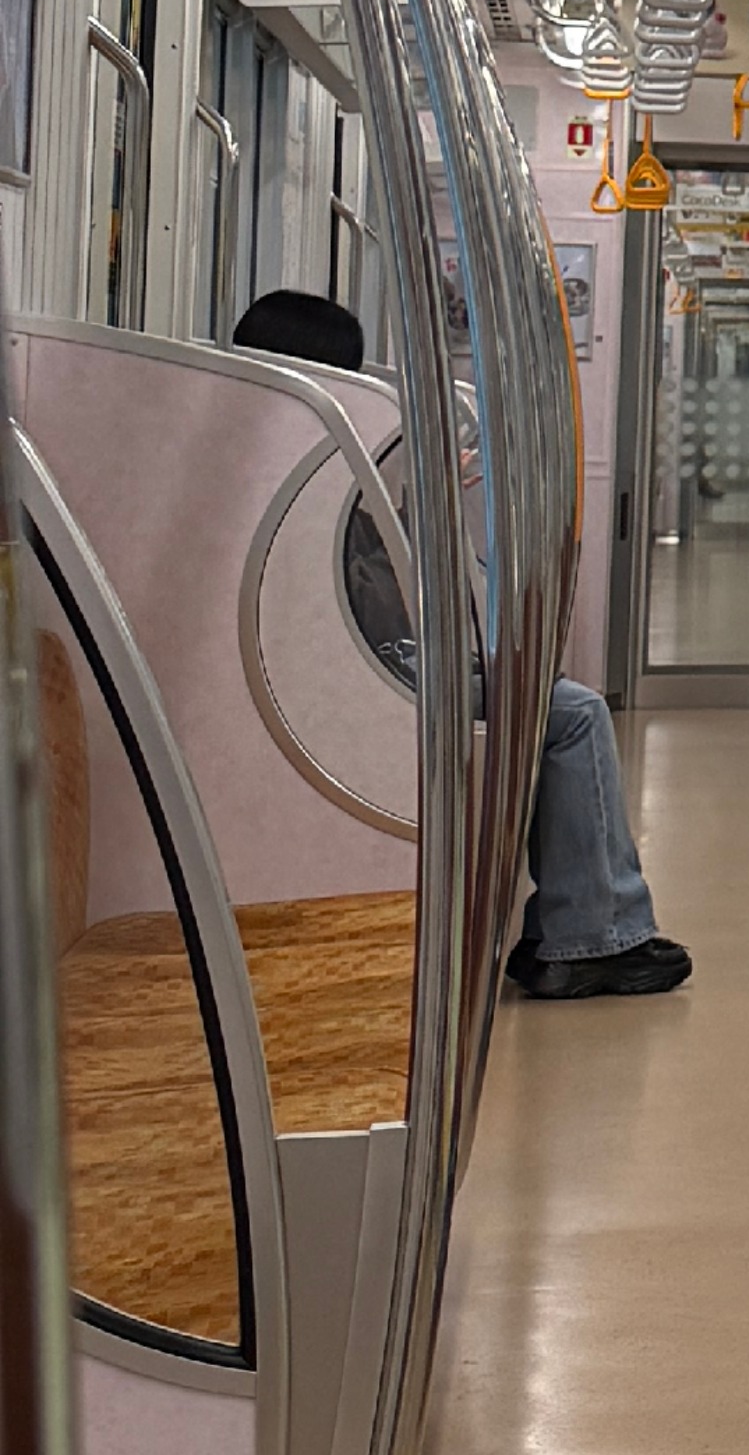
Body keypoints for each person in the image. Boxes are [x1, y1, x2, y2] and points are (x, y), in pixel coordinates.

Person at [227, 290, 691, 1001]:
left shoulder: (285, 461)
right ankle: (590, 936)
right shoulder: (310, 467)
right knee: (573, 713)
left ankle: (577, 925)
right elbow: (375, 596)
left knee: (546, 694)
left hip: (351, 664)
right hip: (360, 678)